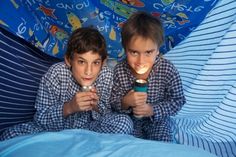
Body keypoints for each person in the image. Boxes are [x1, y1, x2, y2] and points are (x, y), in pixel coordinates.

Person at [0, 27, 133, 141]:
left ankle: (78, 147)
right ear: (69, 60)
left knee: (124, 122)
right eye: (81, 62)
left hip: (88, 131)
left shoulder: (106, 75)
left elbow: (106, 114)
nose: (89, 71)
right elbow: (40, 118)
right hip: (54, 131)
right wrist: (69, 107)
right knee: (9, 135)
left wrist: (96, 106)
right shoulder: (56, 74)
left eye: (95, 63)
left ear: (103, 63)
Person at [110, 11, 186, 142]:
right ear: (125, 48)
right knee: (126, 144)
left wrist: (152, 109)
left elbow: (178, 100)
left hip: (157, 120)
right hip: (129, 120)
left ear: (157, 50)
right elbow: (112, 101)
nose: (141, 61)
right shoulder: (120, 70)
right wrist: (125, 102)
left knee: (163, 143)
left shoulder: (167, 69)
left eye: (148, 52)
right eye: (134, 52)